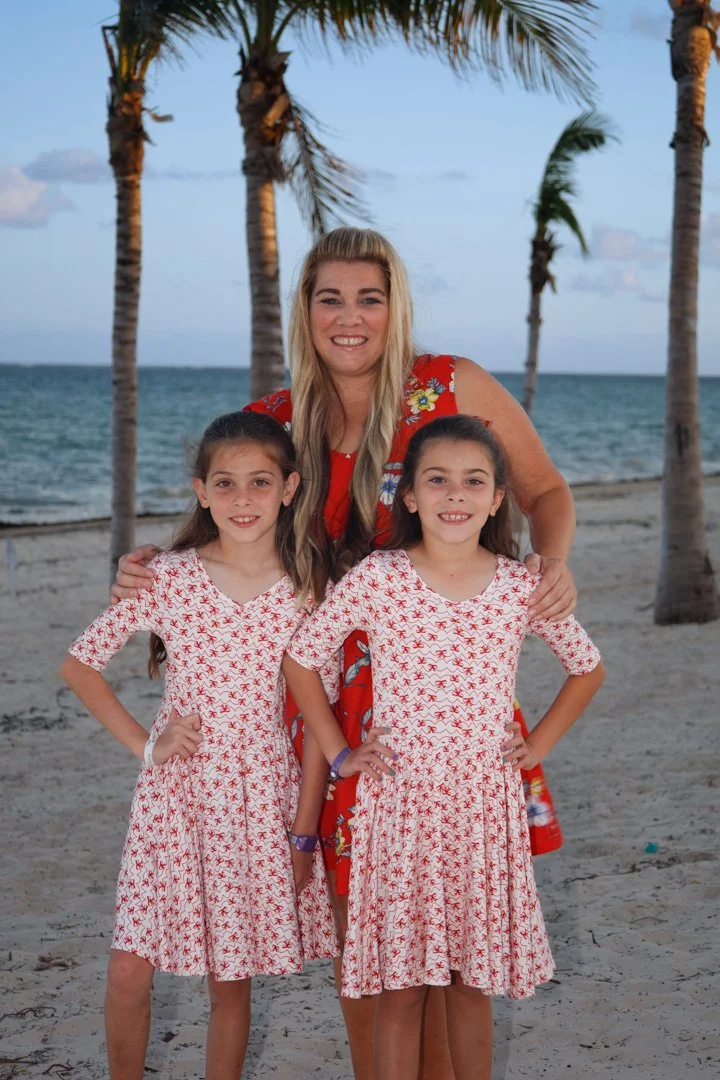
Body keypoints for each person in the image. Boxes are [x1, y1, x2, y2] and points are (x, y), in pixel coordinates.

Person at [112, 227, 580, 1080]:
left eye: (370, 297)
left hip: (442, 693)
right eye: (330, 297)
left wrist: (549, 568)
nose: (350, 316)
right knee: (366, 935)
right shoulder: (277, 419)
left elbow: (546, 491)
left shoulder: (450, 384)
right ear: (306, 309)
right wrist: (148, 567)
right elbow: (232, 516)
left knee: (454, 946)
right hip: (322, 709)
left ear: (394, 305)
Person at [283, 415, 605, 1080]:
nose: (454, 495)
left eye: (473, 482)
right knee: (398, 990)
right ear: (407, 495)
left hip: (483, 814)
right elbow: (300, 659)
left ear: (496, 500)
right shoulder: (381, 577)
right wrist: (342, 754)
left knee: (469, 984)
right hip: (397, 812)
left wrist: (536, 742)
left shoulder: (521, 586)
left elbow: (588, 667)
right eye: (438, 480)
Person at [59, 412, 345, 1080]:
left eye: (259, 482)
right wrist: (146, 743)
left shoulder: (309, 591)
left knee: (231, 976)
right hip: (175, 796)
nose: (242, 498)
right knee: (131, 964)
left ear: (289, 488)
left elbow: (316, 720)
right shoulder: (169, 579)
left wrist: (304, 836)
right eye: (226, 483)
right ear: (201, 491)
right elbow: (80, 666)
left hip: (260, 796)